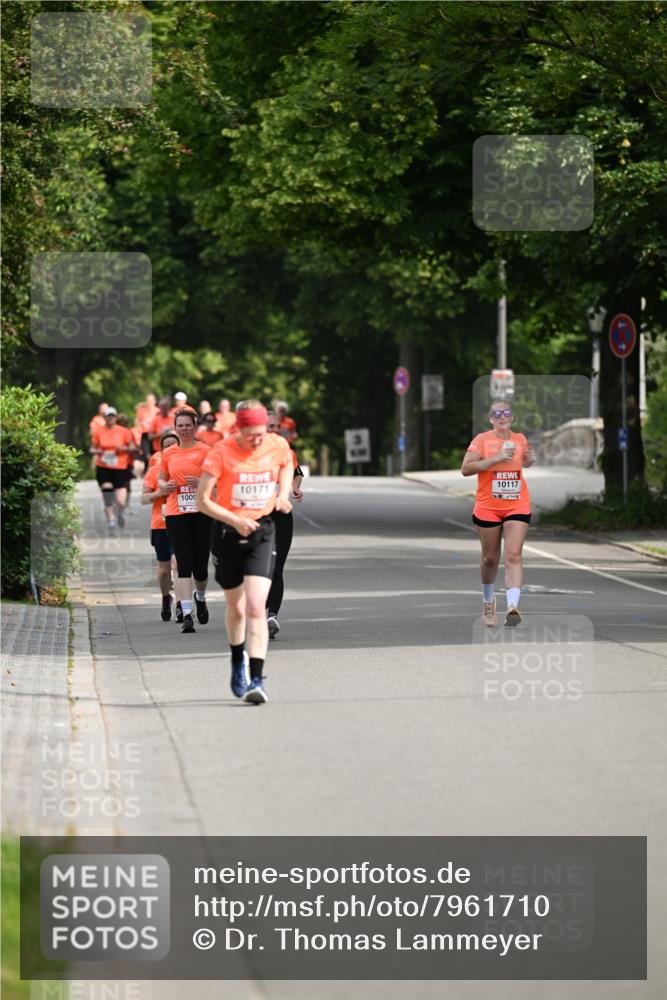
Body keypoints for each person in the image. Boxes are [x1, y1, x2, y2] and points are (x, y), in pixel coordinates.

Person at [197, 400, 293, 704]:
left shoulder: (275, 444)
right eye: (251, 434)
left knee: (255, 607)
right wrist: (234, 520)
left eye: (261, 433)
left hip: (263, 532)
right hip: (228, 533)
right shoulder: (221, 452)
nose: (257, 439)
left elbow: (289, 463)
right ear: (238, 428)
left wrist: (284, 494)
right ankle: (237, 658)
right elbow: (202, 500)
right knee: (237, 609)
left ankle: (257, 679)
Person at [461, 401, 535, 627]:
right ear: (491, 418)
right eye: (497, 413)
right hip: (488, 507)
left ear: (511, 417)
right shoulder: (481, 440)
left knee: (513, 555)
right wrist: (496, 458)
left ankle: (512, 606)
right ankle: (487, 601)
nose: (502, 416)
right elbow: (465, 469)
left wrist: (529, 460)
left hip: (517, 504)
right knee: (490, 558)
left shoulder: (520, 439)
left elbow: (524, 462)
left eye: (506, 412)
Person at [159, 408, 212, 633]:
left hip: (201, 513)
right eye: (180, 425)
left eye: (188, 425)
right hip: (175, 512)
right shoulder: (168, 453)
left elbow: (217, 480)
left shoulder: (206, 450)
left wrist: (200, 482)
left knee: (200, 568)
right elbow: (161, 480)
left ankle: (200, 597)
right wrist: (165, 486)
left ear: (194, 425)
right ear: (175, 427)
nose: (184, 429)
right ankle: (187, 614)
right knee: (183, 564)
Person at [265, 410, 304, 639]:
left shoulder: (287, 452)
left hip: (281, 513)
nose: (274, 430)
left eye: (276, 426)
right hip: (256, 514)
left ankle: (271, 616)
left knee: (276, 566)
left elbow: (296, 473)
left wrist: (294, 487)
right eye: (270, 426)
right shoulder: (249, 453)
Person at [141, 429, 180, 621]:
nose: (171, 449)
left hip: (182, 521)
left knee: (178, 565)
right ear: (162, 451)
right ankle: (166, 597)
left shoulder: (188, 468)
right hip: (160, 524)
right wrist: (160, 494)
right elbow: (143, 498)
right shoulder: (155, 471)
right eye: (167, 446)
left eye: (175, 445)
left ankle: (183, 603)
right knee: (165, 570)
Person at [90, 407, 134, 532]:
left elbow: (131, 447)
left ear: (116, 418)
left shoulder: (124, 431)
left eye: (113, 416)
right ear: (104, 417)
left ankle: (120, 512)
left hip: (120, 466)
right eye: (108, 416)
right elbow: (92, 448)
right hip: (104, 466)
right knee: (107, 491)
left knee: (121, 501)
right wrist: (97, 451)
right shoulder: (98, 431)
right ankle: (111, 520)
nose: (110, 418)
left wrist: (124, 448)